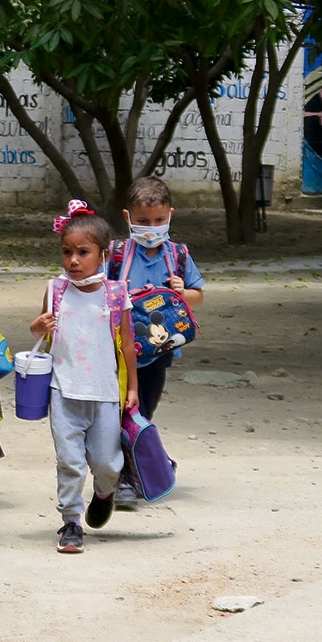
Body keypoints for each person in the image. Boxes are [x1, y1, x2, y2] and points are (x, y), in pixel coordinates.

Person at [29, 200, 138, 553]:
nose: (73, 261)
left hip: (105, 394)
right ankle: (71, 522)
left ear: (103, 254)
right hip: (64, 391)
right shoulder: (56, 290)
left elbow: (128, 348)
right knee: (70, 461)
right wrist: (38, 326)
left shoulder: (116, 295)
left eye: (83, 252)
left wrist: (133, 387)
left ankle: (104, 492)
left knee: (107, 463)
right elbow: (41, 333)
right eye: (67, 252)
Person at [106, 176, 205, 506]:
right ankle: (124, 478)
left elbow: (198, 297)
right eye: (143, 221)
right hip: (119, 351)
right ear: (128, 217)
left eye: (159, 221)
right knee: (121, 411)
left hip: (158, 352)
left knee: (142, 411)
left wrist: (182, 291)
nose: (152, 228)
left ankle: (138, 471)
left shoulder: (177, 255)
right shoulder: (117, 254)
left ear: (171, 215)